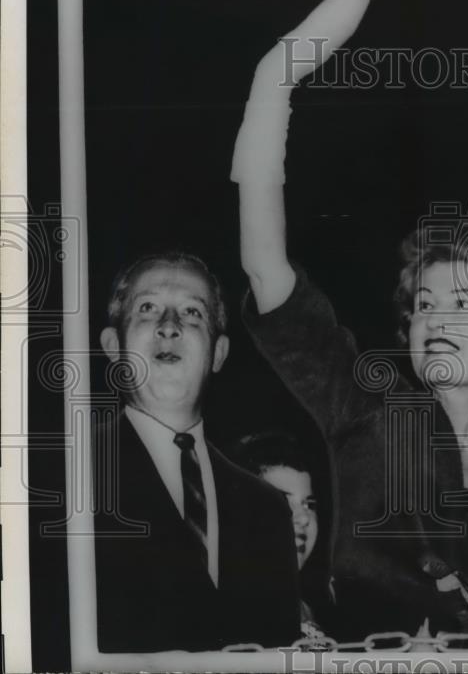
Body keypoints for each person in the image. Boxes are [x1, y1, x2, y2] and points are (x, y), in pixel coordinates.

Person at [232, 0, 468, 637]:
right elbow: (266, 269)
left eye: (464, 303)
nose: (436, 319)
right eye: (423, 305)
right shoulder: (366, 414)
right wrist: (273, 80)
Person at [92, 252, 301, 652]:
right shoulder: (63, 480)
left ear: (218, 354)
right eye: (148, 308)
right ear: (113, 346)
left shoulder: (268, 510)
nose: (169, 327)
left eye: (192, 313)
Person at [228, 431, 334, 639]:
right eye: (282, 501)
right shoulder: (229, 607)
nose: (304, 518)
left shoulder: (310, 608)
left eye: (309, 504)